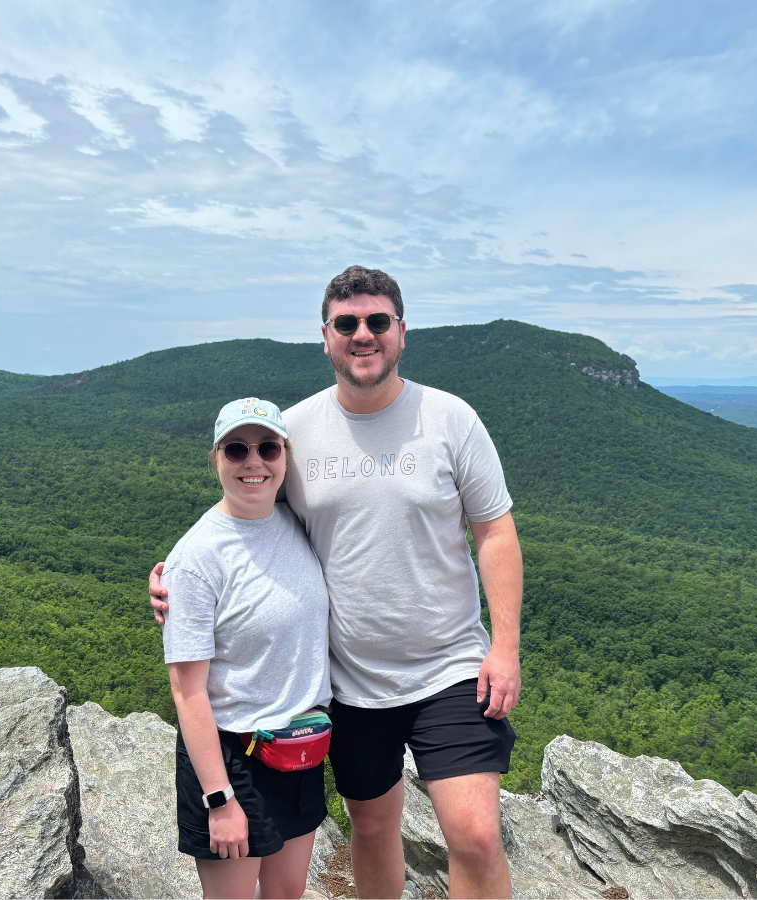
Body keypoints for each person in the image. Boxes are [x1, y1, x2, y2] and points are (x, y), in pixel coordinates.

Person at [152, 266, 523, 900]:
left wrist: (505, 648)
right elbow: (252, 514)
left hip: (450, 665)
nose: (363, 334)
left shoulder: (450, 418)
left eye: (378, 322)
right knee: (372, 826)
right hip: (348, 681)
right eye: (346, 323)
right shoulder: (294, 434)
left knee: (476, 835)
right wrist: (175, 573)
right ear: (325, 337)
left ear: (401, 332)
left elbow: (496, 532)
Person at [161, 397, 332, 900]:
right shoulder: (195, 560)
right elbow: (187, 690)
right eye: (236, 449)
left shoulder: (294, 520)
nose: (254, 461)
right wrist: (219, 799)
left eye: (267, 447)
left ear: (285, 455)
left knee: (286, 895)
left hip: (298, 745)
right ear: (216, 458)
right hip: (232, 755)